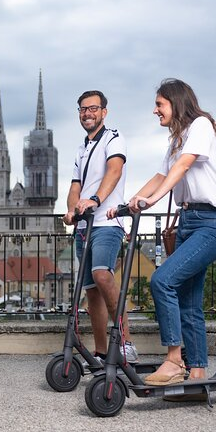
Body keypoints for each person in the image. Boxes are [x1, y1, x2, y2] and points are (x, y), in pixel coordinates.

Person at [119, 78, 216, 396]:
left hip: (212, 224)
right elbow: (159, 176)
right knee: (188, 300)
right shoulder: (177, 139)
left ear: (175, 102)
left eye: (159, 104)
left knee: (162, 281)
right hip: (188, 223)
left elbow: (182, 167)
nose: (155, 110)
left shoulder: (200, 126)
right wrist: (126, 205)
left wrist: (152, 201)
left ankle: (174, 361)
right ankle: (197, 371)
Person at [63, 90, 138, 363]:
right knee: (91, 290)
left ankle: (127, 343)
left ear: (103, 112)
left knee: (102, 275)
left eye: (93, 108)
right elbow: (74, 187)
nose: (87, 113)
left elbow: (114, 171)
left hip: (107, 221)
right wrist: (72, 210)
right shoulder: (81, 149)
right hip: (85, 227)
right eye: (83, 109)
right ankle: (101, 350)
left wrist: (94, 199)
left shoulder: (114, 138)